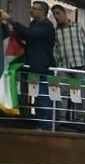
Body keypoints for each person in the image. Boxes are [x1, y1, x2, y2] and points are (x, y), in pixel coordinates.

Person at [0, 2, 54, 130]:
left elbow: (29, 34)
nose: (31, 10)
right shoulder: (34, 24)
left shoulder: (47, 26)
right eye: (31, 7)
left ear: (43, 11)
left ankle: (46, 125)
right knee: (37, 98)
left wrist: (11, 20)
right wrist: (7, 26)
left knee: (43, 97)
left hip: (43, 67)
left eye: (35, 8)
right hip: (33, 66)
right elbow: (24, 34)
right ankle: (40, 123)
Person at [51, 4, 85, 125]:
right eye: (54, 14)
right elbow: (55, 50)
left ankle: (80, 121)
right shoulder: (55, 31)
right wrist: (57, 66)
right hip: (63, 66)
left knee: (80, 94)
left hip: (80, 65)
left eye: (58, 13)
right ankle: (62, 119)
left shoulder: (78, 27)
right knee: (62, 93)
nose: (56, 16)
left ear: (64, 13)